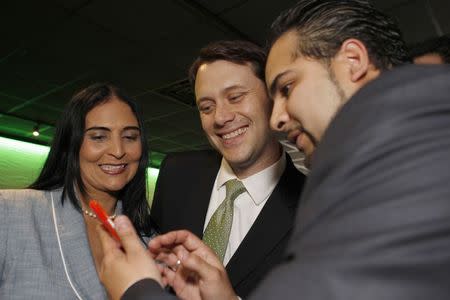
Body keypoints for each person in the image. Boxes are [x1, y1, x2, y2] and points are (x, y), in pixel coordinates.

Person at [97, 1, 450, 299]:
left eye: (287, 88)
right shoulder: (177, 172)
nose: (279, 117)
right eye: (205, 107)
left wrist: (137, 290)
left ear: (353, 62)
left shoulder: (396, 183)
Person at [150, 40, 305, 297]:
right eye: (206, 107)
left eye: (235, 97)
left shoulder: (313, 208)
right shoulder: (176, 174)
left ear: (272, 99)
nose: (221, 118)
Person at [0, 83, 157, 299]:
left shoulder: (151, 242)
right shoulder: (10, 212)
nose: (118, 151)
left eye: (129, 137)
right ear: (71, 144)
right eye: (99, 137)